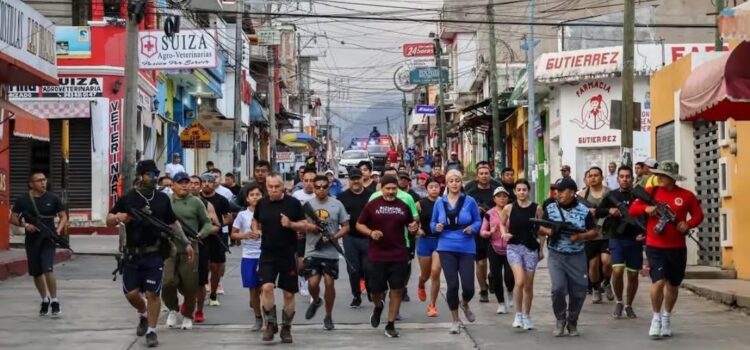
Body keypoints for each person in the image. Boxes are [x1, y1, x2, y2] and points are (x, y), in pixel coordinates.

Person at [106, 160, 195, 347]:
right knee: (131, 294)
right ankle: (143, 313)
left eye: (156, 174)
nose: (154, 178)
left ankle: (152, 331)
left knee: (153, 294)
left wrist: (186, 243)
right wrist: (119, 217)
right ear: (141, 176)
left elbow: (172, 223)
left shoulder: (162, 199)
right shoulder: (129, 198)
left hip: (154, 253)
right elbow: (109, 219)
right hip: (132, 254)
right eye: (150, 175)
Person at [629, 161, 703, 339]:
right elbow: (633, 209)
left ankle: (666, 317)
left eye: (662, 175)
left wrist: (688, 224)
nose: (658, 177)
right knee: (658, 282)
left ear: (671, 178)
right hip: (655, 246)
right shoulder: (651, 192)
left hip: (677, 247)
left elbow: (699, 215)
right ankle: (655, 318)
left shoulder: (686, 196)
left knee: (673, 284)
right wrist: (648, 208)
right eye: (657, 174)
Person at [252, 173, 315, 343]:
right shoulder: (262, 203)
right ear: (266, 186)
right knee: (266, 287)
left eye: (276, 187)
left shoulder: (293, 203)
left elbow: (305, 225)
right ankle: (271, 324)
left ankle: (286, 327)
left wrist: (291, 224)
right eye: (270, 186)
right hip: (267, 252)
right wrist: (256, 230)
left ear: (283, 187)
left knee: (288, 293)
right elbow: (255, 220)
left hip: (287, 253)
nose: (273, 190)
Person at [356, 175, 419, 338]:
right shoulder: (372, 205)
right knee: (375, 291)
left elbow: (412, 227)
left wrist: (413, 229)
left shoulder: (403, 206)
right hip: (377, 254)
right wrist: (371, 232)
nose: (391, 192)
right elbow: (359, 224)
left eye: (394, 189)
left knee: (397, 290)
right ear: (381, 188)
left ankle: (391, 324)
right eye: (388, 188)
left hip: (398, 254)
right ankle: (378, 306)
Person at [538, 177, 598, 337]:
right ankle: (560, 319)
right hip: (556, 254)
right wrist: (551, 231)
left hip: (577, 255)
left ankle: (573, 320)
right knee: (558, 288)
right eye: (557, 191)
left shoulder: (584, 211)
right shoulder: (550, 208)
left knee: (579, 291)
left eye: (562, 191)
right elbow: (540, 228)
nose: (558, 194)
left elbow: (594, 231)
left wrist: (580, 237)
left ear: (572, 192)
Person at [430, 169, 482, 334]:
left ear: (461, 183)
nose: (454, 183)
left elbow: (478, 221)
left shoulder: (470, 201)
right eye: (451, 181)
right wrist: (436, 227)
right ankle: (455, 320)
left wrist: (472, 228)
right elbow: (432, 223)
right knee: (452, 286)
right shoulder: (440, 202)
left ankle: (465, 303)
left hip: (466, 246)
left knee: (469, 288)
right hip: (446, 246)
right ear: (446, 183)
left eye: (457, 180)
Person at [10, 171, 67, 317]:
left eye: (44, 180)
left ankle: (54, 300)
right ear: (31, 184)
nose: (43, 183)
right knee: (36, 273)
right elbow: (13, 218)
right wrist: (25, 225)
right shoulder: (23, 200)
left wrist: (59, 230)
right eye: (39, 180)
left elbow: (63, 216)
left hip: (48, 239)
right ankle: (44, 299)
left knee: (48, 269)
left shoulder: (53, 198)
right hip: (32, 240)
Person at [163, 172, 213, 331]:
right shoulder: (166, 202)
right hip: (169, 249)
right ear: (173, 185)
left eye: (187, 182)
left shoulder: (196, 203)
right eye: (180, 182)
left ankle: (188, 315)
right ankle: (172, 308)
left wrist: (201, 234)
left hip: (191, 250)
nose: (184, 185)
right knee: (167, 282)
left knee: (190, 286)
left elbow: (207, 223)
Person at [596, 165, 644, 319]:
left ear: (632, 178)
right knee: (617, 271)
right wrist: (609, 211)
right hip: (616, 237)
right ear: (617, 178)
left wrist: (644, 234)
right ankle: (619, 301)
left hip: (635, 240)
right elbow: (598, 211)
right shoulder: (612, 196)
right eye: (622, 176)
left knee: (633, 275)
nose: (625, 179)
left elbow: (647, 216)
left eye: (628, 176)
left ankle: (629, 305)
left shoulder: (638, 196)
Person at [302, 175, 350, 330]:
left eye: (324, 186)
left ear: (329, 187)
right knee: (313, 282)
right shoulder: (307, 205)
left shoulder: (337, 204)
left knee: (329, 283)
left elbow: (346, 226)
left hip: (330, 251)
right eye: (318, 187)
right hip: (312, 249)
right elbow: (300, 224)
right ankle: (316, 300)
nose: (321, 189)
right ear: (313, 188)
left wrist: (333, 238)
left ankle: (328, 316)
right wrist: (310, 227)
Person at [499, 179, 544, 330]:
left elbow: (541, 230)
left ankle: (527, 315)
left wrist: (541, 249)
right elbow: (501, 223)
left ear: (528, 191)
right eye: (519, 190)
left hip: (531, 248)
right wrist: (504, 233)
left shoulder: (536, 208)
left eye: (524, 189)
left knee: (529, 285)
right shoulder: (509, 208)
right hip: (514, 247)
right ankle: (518, 314)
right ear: (515, 192)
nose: (522, 192)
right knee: (519, 281)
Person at [338, 169, 375, 308]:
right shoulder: (342, 197)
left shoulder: (371, 195)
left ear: (362, 179)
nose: (355, 181)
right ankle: (356, 295)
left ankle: (371, 290)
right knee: (353, 268)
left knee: (368, 267)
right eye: (352, 179)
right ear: (349, 180)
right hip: (350, 237)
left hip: (367, 236)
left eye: (357, 178)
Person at [230, 183, 265, 331]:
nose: (255, 197)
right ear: (247, 198)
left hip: (265, 255)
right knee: (253, 289)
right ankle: (258, 317)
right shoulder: (242, 215)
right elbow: (233, 233)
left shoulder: (268, 212)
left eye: (258, 194)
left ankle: (269, 317)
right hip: (249, 256)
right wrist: (244, 235)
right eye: (252, 195)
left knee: (266, 288)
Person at [578, 166, 612, 304]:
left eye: (596, 175)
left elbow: (614, 211)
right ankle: (596, 288)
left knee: (607, 262)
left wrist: (601, 214)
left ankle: (607, 282)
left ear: (602, 177)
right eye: (590, 175)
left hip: (606, 233)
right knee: (592, 265)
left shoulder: (609, 193)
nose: (593, 178)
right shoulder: (582, 195)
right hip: (590, 234)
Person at [189, 175, 221, 324]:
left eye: (196, 184)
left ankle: (199, 310)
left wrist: (202, 232)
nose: (193, 186)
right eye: (190, 183)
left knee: (201, 281)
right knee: (181, 280)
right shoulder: (174, 202)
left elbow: (216, 226)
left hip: (201, 246)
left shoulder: (206, 204)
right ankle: (185, 305)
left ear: (200, 186)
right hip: (182, 247)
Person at [466, 164, 497, 303]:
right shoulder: (471, 193)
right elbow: (465, 211)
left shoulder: (496, 191)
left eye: (487, 173)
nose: (484, 175)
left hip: (495, 231)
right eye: (481, 173)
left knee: (495, 263)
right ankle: (483, 289)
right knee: (481, 263)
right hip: (478, 232)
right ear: (477, 176)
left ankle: (491, 276)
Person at [480, 187, 515, 314]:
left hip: (511, 248)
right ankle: (501, 303)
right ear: (494, 199)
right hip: (494, 248)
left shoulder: (513, 211)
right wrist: (490, 232)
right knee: (496, 277)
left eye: (504, 196)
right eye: (499, 196)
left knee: (510, 277)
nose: (502, 198)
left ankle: (510, 291)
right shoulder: (489, 214)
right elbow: (482, 231)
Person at [199, 173, 232, 306]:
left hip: (217, 237)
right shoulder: (197, 199)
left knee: (216, 266)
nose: (207, 184)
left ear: (215, 184)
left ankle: (213, 293)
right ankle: (200, 293)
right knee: (202, 265)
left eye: (210, 181)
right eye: (204, 181)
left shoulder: (222, 200)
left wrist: (218, 226)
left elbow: (228, 217)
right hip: (200, 236)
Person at [416, 178, 442, 317]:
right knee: (425, 275)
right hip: (425, 241)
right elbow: (412, 220)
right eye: (431, 187)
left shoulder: (444, 203)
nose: (434, 189)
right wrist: (417, 230)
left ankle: (432, 305)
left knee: (435, 272)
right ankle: (421, 284)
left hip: (440, 241)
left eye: (436, 187)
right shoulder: (420, 204)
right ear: (427, 189)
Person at [293, 167, 317, 297]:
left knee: (312, 262)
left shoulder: (319, 195)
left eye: (312, 180)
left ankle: (311, 286)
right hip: (301, 234)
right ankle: (302, 279)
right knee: (301, 264)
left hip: (315, 235)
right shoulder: (297, 196)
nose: (309, 183)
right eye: (306, 180)